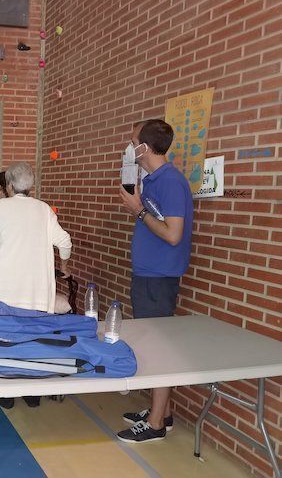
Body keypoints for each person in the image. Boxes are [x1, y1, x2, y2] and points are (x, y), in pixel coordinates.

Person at [116, 119, 193, 443]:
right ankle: (162, 412)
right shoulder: (153, 180)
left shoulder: (171, 181)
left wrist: (138, 210)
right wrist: (138, 205)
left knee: (159, 349)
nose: (129, 148)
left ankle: (156, 423)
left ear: (144, 148)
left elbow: (173, 235)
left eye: (133, 142)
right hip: (148, 276)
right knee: (154, 344)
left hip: (158, 279)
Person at [0, 162, 73, 409]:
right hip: (36, 289)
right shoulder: (43, 209)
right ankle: (31, 393)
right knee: (33, 339)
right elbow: (65, 242)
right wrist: (64, 267)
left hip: (6, 288)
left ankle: (6, 394)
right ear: (31, 185)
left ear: (9, 185)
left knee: (4, 339)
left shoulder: (1, 207)